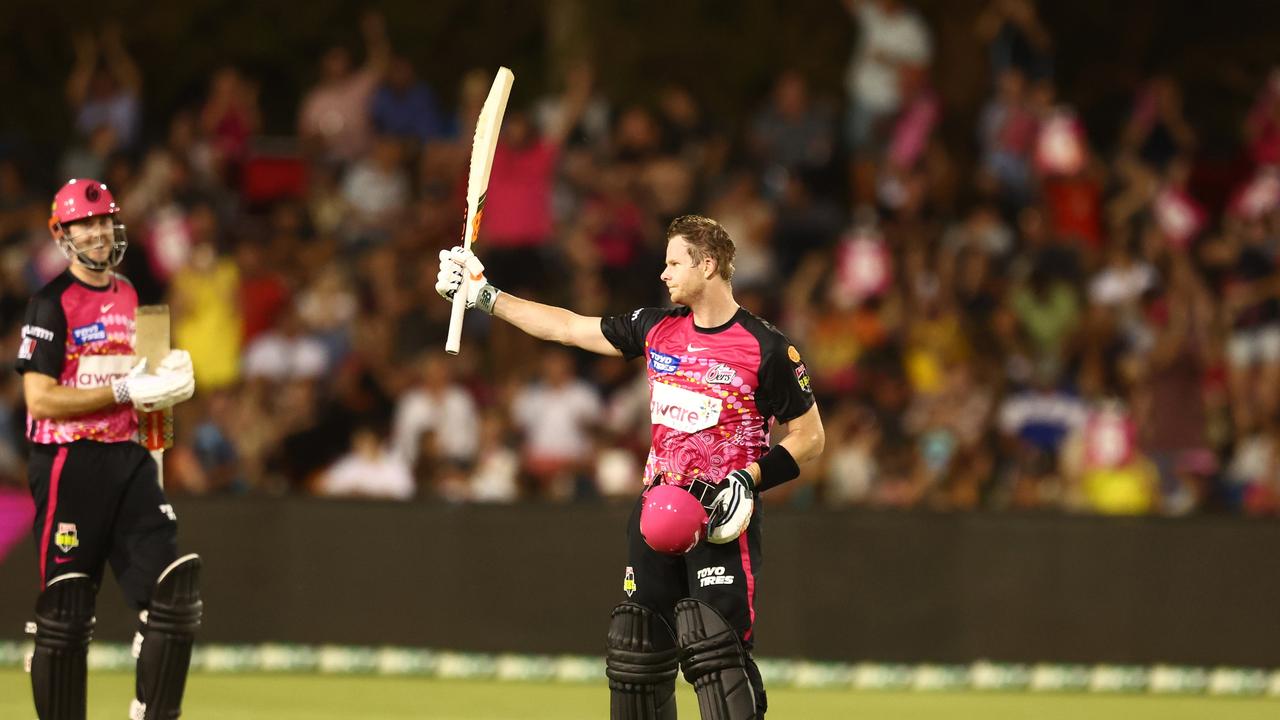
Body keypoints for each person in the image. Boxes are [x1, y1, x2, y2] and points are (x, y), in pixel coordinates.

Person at [436, 215, 825, 718]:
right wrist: (484, 295)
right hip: (653, 512)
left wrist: (748, 481)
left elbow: (811, 438)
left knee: (718, 659)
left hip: (720, 522)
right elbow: (568, 327)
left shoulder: (766, 347)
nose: (663, 274)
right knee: (637, 655)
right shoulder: (656, 328)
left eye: (673, 263)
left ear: (708, 265)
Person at [18, 178, 201, 720]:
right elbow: (41, 401)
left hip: (129, 458)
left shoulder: (128, 294)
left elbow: (146, 393)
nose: (98, 233)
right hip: (69, 462)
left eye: (103, 222)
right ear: (62, 233)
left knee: (174, 592)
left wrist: (170, 383)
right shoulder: (50, 303)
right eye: (85, 224)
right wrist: (122, 390)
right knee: (67, 610)